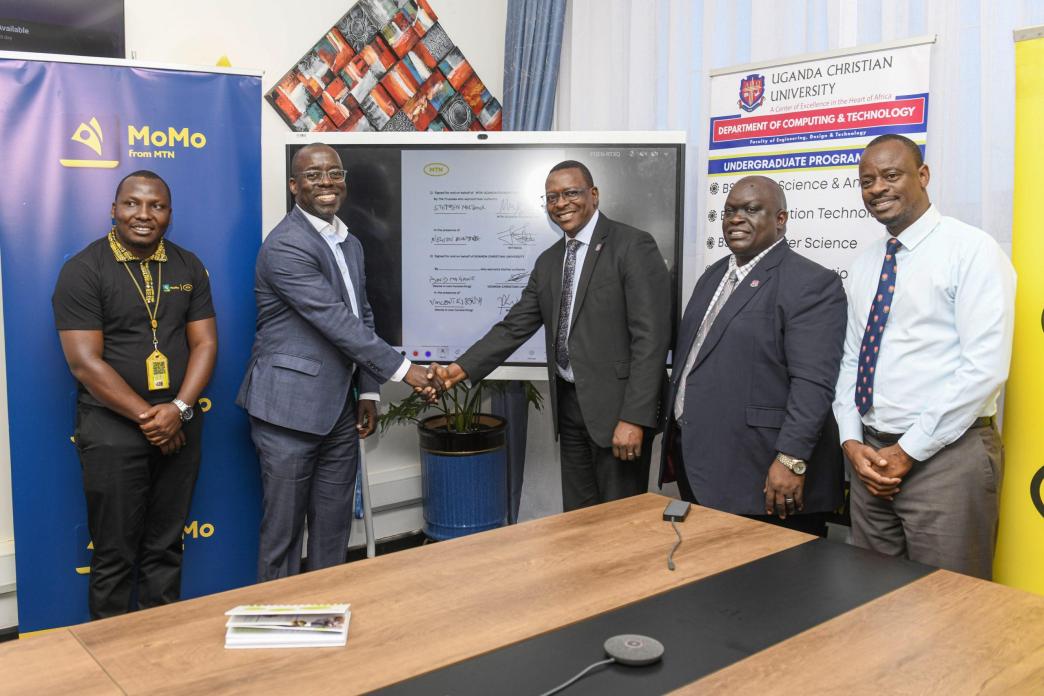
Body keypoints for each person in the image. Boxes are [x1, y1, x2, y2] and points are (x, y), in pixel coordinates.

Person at [237, 143, 437, 581]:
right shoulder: (286, 245)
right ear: (294, 186)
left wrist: (368, 388)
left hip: (339, 413)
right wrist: (407, 371)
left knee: (333, 532)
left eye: (333, 173)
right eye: (312, 175)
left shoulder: (350, 242)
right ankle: (279, 631)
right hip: (287, 412)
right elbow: (333, 321)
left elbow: (362, 315)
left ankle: (327, 618)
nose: (325, 182)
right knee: (283, 537)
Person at [437, 160, 671, 511]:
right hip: (571, 408)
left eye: (570, 193)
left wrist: (634, 418)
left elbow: (651, 339)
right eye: (552, 197)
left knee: (622, 524)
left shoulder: (632, 245)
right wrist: (457, 371)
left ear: (593, 195)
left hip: (617, 411)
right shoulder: (549, 261)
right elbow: (514, 327)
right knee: (577, 521)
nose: (561, 203)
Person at [833, 134, 1016, 579]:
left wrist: (907, 451)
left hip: (948, 461)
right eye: (867, 180)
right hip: (870, 463)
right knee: (873, 604)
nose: (877, 188)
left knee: (949, 612)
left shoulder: (972, 251)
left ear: (924, 176)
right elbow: (853, 360)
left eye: (891, 175)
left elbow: (984, 368)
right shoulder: (866, 263)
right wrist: (852, 441)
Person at [53, 170, 217, 618]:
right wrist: (153, 418)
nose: (144, 215)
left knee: (166, 548)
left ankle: (159, 660)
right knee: (113, 556)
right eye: (132, 203)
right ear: (114, 209)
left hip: (179, 424)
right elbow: (85, 362)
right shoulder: (84, 270)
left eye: (156, 206)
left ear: (168, 213)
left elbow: (204, 343)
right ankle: (111, 667)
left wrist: (179, 410)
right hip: (113, 430)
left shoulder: (187, 265)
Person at [662, 176, 846, 537]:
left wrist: (790, 460)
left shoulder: (811, 282)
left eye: (751, 209)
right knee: (710, 580)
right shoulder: (713, 276)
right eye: (730, 210)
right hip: (700, 460)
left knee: (767, 589)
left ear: (780, 219)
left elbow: (813, 384)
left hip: (762, 471)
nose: (735, 218)